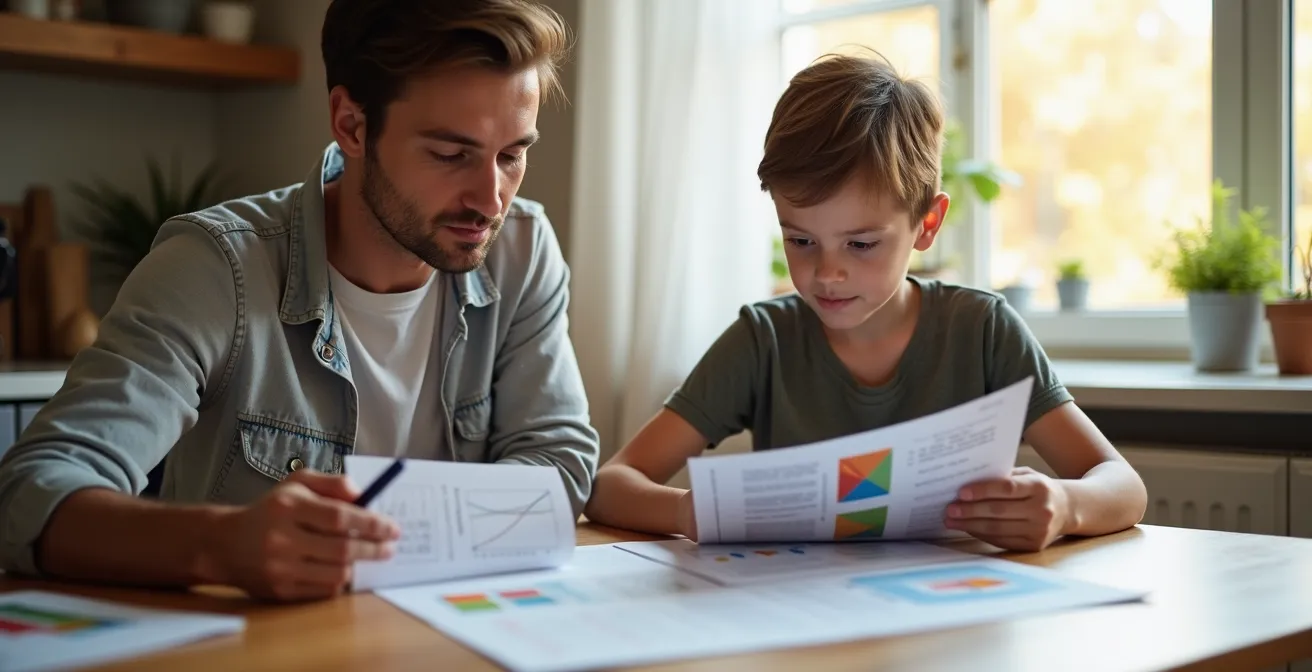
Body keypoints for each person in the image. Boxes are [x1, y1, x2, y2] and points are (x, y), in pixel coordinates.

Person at [0, 0, 599, 601]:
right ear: (352, 124)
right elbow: (27, 493)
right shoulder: (215, 269)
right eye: (450, 154)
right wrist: (220, 545)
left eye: (512, 155)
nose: (491, 201)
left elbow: (561, 464)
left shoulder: (521, 250)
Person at [584, 53, 1147, 552]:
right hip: (801, 613)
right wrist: (691, 511)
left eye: (860, 244)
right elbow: (611, 485)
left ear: (927, 224)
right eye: (800, 240)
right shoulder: (764, 342)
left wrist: (1064, 505)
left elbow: (1123, 485)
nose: (827, 273)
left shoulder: (981, 330)